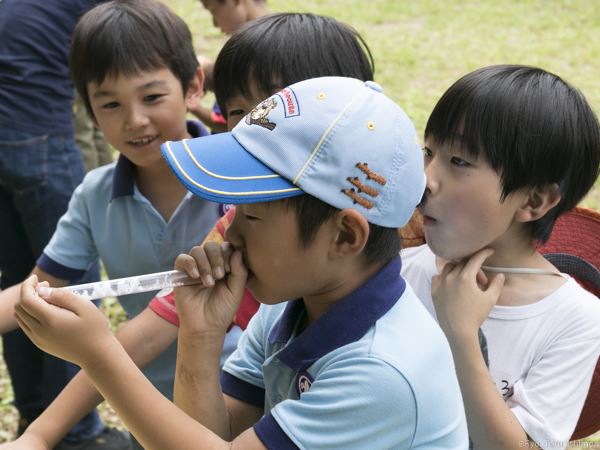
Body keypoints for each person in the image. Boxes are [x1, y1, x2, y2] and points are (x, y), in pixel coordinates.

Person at [14, 75, 469, 450]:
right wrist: (201, 332)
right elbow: (213, 436)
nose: (230, 234)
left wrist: (99, 355)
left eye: (251, 216)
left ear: (345, 235)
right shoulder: (287, 308)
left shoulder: (381, 371)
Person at [0, 13, 383, 450]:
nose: (135, 120)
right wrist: (41, 433)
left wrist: (88, 365)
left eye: (279, 113)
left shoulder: (387, 324)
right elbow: (156, 338)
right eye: (242, 114)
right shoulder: (237, 225)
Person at [0, 0, 248, 448]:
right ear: (89, 112)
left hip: (240, 402)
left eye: (152, 97)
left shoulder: (240, 182)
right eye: (110, 104)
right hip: (145, 408)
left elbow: (147, 334)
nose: (134, 120)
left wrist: (40, 435)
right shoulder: (94, 195)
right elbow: (36, 290)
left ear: (193, 86)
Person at [400, 65, 600, 450]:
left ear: (534, 200)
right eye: (428, 152)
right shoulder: (401, 272)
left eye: (458, 161)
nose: (426, 178)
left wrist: (461, 336)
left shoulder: (576, 320)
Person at [0, 1, 125, 448]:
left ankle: (35, 416)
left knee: (22, 279)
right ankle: (76, 432)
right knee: (67, 289)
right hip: (41, 136)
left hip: (6, 133)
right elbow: (131, 44)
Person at [190, 0, 270, 133]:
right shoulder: (284, 42)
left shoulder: (249, 52)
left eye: (213, 10)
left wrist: (193, 105)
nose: (215, 23)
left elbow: (230, 128)